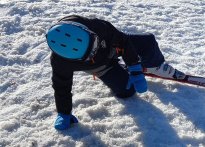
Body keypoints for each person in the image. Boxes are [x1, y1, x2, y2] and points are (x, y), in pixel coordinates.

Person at [46, 15, 184, 130]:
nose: (95, 51)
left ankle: (155, 66)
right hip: (102, 66)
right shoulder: (60, 61)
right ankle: (117, 69)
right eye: (90, 54)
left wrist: (134, 67)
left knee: (148, 41)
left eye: (94, 43)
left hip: (113, 47)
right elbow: (61, 86)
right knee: (127, 91)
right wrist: (63, 112)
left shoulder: (97, 25)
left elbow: (123, 41)